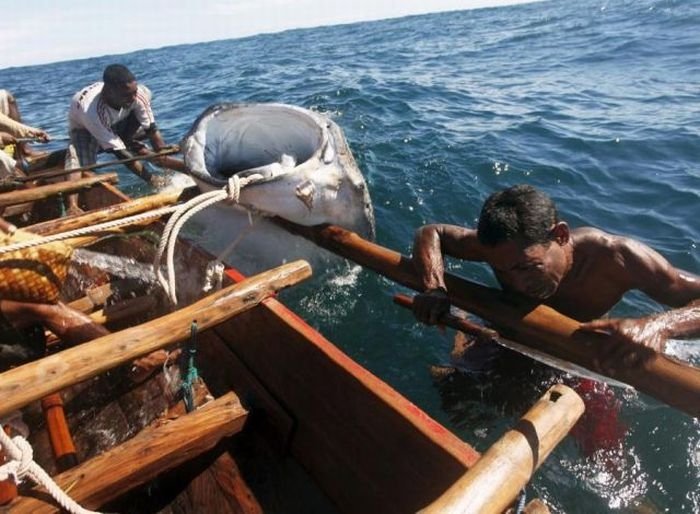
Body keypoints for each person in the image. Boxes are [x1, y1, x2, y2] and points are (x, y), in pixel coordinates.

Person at [411, 184, 700, 369]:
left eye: (528, 267)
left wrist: (660, 325)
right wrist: (434, 287)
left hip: (574, 356)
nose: (518, 282)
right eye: (503, 270)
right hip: (504, 337)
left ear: (560, 235)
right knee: (456, 404)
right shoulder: (502, 249)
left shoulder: (617, 258)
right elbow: (432, 232)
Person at [64, 64, 170, 213]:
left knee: (145, 94)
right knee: (79, 162)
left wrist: (163, 157)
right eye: (127, 95)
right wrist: (151, 179)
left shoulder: (135, 95)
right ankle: (72, 206)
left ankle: (127, 138)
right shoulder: (92, 110)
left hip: (116, 121)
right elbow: (120, 154)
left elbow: (152, 130)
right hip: (86, 129)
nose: (133, 98)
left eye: (134, 92)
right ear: (108, 92)